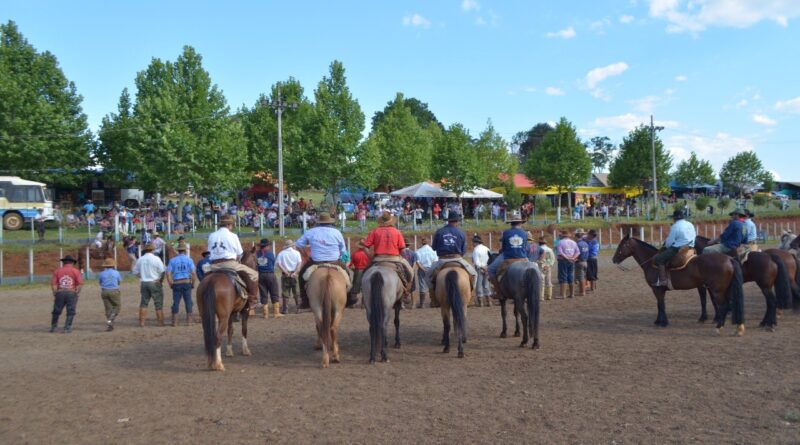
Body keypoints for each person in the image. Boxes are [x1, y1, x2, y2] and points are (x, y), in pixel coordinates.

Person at [207, 214, 260, 319]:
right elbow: (240, 253)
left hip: (213, 265)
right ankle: (252, 300)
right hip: (229, 263)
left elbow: (209, 252)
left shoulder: (211, 235)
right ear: (229, 225)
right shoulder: (233, 236)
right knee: (254, 274)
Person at [295, 212, 348, 310]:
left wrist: (305, 256)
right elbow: (343, 250)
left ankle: (305, 300)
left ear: (319, 222)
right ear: (330, 222)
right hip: (334, 261)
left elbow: (298, 244)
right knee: (347, 274)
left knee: (301, 276)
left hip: (316, 262)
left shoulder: (311, 232)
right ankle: (348, 297)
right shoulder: (337, 232)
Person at [361, 211, 415, 298]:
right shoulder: (397, 232)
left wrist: (370, 257)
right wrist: (401, 256)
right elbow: (403, 249)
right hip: (394, 259)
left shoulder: (375, 231)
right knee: (411, 273)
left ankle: (362, 290)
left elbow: (365, 246)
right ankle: (406, 290)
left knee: (364, 273)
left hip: (377, 259)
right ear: (391, 221)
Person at [427, 213, 477, 297]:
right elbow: (463, 250)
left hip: (442, 260)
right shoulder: (461, 233)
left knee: (428, 276)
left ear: (448, 221)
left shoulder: (439, 232)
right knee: (474, 274)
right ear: (457, 221)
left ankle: (433, 297)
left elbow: (434, 248)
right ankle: (471, 294)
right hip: (458, 259)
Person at [487, 211, 529, 296]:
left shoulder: (506, 233)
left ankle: (498, 292)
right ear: (520, 223)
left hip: (508, 257)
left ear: (511, 223)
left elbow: (504, 248)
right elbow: (525, 247)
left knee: (490, 269)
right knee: (535, 268)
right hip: (523, 257)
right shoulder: (525, 233)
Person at [653, 209, 696, 286]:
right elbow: (694, 235)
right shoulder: (690, 224)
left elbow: (669, 242)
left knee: (659, 259)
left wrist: (665, 246)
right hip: (690, 247)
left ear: (675, 218)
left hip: (678, 248)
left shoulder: (675, 226)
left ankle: (663, 280)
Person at [133, 242, 166, 326]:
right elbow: (162, 271)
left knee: (143, 303)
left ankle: (142, 322)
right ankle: (160, 322)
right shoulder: (156, 259)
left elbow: (135, 272)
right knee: (158, 304)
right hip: (154, 282)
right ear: (153, 250)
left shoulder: (140, 259)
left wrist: (141, 276)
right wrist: (160, 281)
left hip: (144, 282)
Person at [50, 255, 83, 333]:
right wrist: (77, 292)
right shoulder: (76, 271)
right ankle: (67, 327)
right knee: (70, 310)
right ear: (72, 263)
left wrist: (55, 293)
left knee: (56, 310)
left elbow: (53, 284)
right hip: (71, 292)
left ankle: (53, 327)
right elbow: (80, 284)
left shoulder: (57, 271)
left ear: (64, 262)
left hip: (60, 292)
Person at [166, 241, 196, 326]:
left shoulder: (172, 260)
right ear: (185, 251)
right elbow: (193, 273)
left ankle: (175, 322)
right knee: (188, 302)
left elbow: (168, 273)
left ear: (178, 251)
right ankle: (189, 321)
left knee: (176, 302)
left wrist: (170, 283)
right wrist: (193, 283)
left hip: (176, 283)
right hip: (186, 282)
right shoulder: (189, 260)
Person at [256, 238, 282, 319]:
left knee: (263, 293)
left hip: (260, 275)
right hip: (270, 274)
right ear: (266, 246)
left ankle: (265, 314)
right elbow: (273, 262)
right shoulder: (270, 254)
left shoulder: (257, 254)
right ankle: (276, 313)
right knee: (274, 292)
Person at [276, 239, 303, 314]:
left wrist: (285, 271)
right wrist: (295, 272)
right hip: (294, 274)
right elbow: (299, 264)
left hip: (285, 275)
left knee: (285, 292)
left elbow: (278, 264)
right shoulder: (297, 253)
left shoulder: (281, 253)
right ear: (292, 245)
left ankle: (285, 309)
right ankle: (298, 308)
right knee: (296, 292)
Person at [98, 258, 122, 331]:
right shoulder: (116, 272)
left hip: (104, 291)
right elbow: (119, 282)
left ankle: (110, 325)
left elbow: (100, 283)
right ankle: (111, 319)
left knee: (108, 308)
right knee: (117, 306)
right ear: (113, 265)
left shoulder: (101, 273)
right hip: (114, 290)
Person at [414, 237, 438, 308]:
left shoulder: (418, 251)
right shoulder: (433, 251)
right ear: (429, 243)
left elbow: (417, 263)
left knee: (422, 285)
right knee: (433, 285)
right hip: (431, 268)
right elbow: (435, 261)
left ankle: (422, 304)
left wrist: (423, 269)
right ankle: (433, 302)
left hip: (422, 269)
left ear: (422, 243)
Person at [556, 230, 580, 298]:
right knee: (570, 276)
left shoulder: (560, 242)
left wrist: (567, 258)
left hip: (563, 261)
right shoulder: (573, 242)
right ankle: (572, 294)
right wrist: (572, 258)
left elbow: (561, 253)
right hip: (572, 261)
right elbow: (578, 252)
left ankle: (563, 294)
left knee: (563, 276)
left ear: (562, 235)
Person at [471, 234, 492, 307]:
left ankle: (481, 302)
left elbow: (476, 262)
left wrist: (482, 267)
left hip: (479, 269)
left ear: (476, 242)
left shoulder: (476, 250)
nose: (472, 243)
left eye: (473, 242)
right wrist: (486, 268)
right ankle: (489, 301)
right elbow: (490, 258)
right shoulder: (487, 248)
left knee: (478, 285)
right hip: (487, 267)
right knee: (486, 284)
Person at [348, 240, 370, 308]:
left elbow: (350, 265)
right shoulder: (368, 254)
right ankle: (363, 304)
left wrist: (353, 270)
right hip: (367, 270)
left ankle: (352, 303)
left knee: (355, 287)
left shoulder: (355, 254)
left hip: (358, 270)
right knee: (365, 287)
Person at [574, 230, 589, 297]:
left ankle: (582, 292)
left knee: (581, 278)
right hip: (585, 261)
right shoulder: (585, 243)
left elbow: (577, 253)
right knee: (584, 277)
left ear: (576, 237)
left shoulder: (577, 244)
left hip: (579, 262)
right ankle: (583, 290)